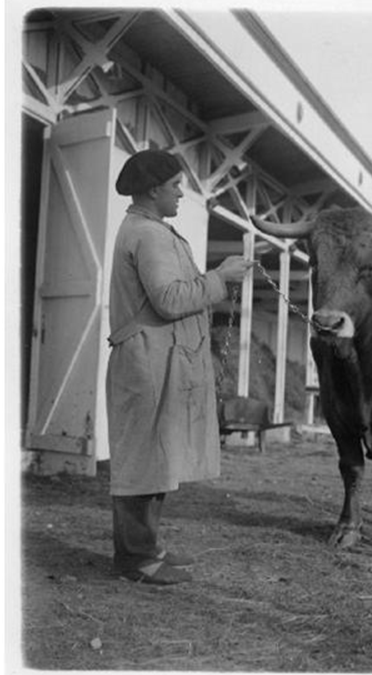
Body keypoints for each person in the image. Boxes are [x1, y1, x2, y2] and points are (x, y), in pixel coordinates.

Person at [106, 149, 253, 584]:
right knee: (142, 459)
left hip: (158, 358)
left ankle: (148, 548)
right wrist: (222, 277)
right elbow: (170, 300)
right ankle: (135, 559)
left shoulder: (150, 229)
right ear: (153, 190)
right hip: (147, 360)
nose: (181, 194)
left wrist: (215, 278)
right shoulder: (148, 235)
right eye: (175, 186)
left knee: (157, 456)